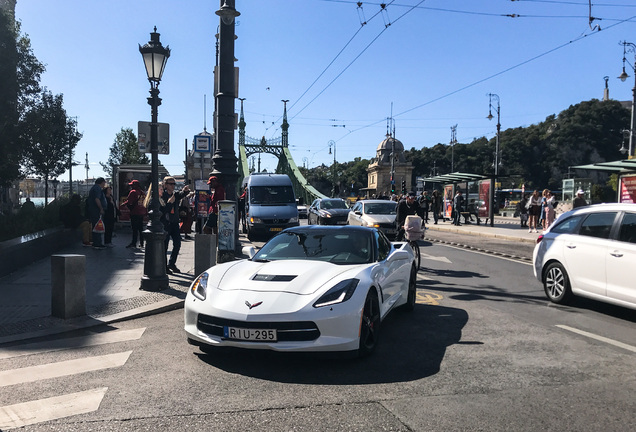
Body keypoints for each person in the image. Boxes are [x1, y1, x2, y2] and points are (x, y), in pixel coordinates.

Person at [160, 176, 191, 274]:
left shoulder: (174, 195)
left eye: (174, 184)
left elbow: (181, 194)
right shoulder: (162, 196)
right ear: (165, 185)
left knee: (177, 244)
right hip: (165, 223)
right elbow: (163, 210)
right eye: (171, 184)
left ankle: (171, 263)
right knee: (164, 246)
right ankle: (164, 266)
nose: (173, 186)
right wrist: (169, 203)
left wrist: (185, 191)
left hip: (174, 223)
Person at [87, 177, 107, 249]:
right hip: (96, 210)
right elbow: (97, 199)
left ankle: (96, 242)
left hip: (94, 210)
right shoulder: (97, 189)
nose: (104, 184)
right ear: (102, 182)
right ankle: (97, 243)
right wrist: (101, 208)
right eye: (104, 183)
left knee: (96, 225)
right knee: (97, 226)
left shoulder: (94, 188)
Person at [126, 180, 147, 248]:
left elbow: (129, 202)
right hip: (141, 212)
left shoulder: (133, 192)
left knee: (134, 229)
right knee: (140, 229)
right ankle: (141, 243)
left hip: (134, 212)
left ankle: (134, 243)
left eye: (132, 185)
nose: (131, 186)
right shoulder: (142, 192)